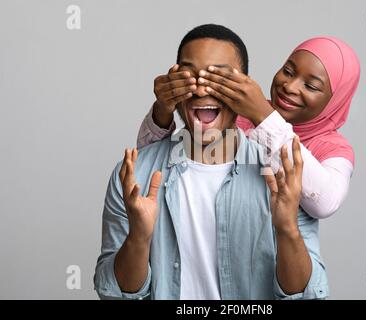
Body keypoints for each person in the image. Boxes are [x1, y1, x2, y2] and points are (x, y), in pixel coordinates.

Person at [94, 24, 328, 300]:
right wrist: (138, 239)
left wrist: (287, 228)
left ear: (245, 88)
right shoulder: (137, 174)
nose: (203, 89)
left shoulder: (281, 174)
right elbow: (115, 295)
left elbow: (309, 296)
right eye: (190, 76)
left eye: (220, 78)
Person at [138, 35, 361, 219]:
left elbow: (324, 203)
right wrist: (163, 107)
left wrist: (263, 115)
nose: (289, 86)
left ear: (336, 99)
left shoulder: (334, 150)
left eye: (311, 86)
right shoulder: (239, 110)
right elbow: (149, 163)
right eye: (288, 71)